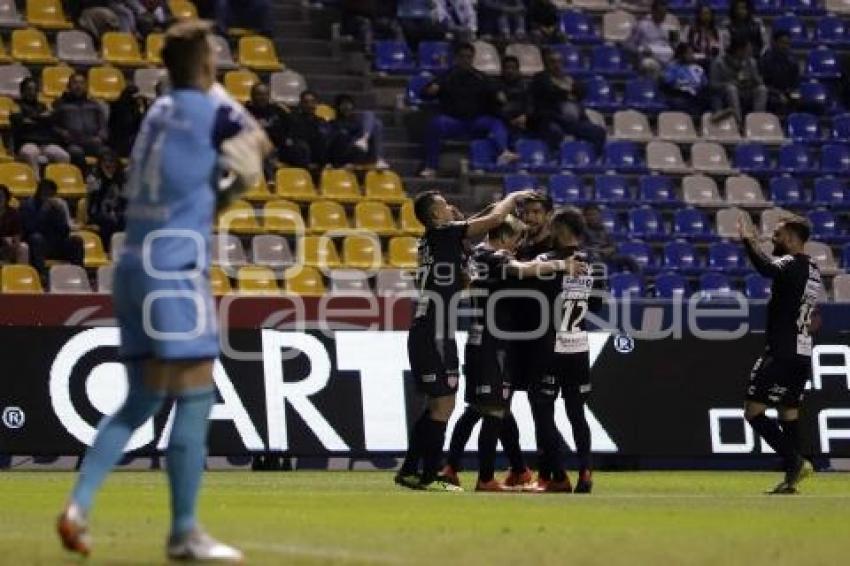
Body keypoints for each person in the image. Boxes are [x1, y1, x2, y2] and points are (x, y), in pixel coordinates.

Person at [57, 20, 271, 561]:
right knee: (197, 390)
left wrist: (216, 194)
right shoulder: (208, 108)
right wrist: (235, 188)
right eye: (215, 60)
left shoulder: (158, 111)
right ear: (206, 65)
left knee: (143, 398)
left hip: (130, 266)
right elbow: (259, 145)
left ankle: (79, 505)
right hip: (172, 268)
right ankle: (183, 532)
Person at [394, 188, 535, 491]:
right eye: (445, 205)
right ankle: (429, 476)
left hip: (434, 328)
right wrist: (514, 196)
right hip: (433, 329)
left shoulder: (438, 241)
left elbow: (465, 268)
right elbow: (495, 219)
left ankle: (410, 470)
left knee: (438, 405)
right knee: (443, 406)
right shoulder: (442, 233)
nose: (451, 206)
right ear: (434, 215)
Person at [455, 215, 579, 491]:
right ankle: (485, 478)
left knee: (482, 409)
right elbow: (521, 271)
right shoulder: (496, 255)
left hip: (481, 337)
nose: (516, 245)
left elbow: (470, 281)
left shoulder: (476, 255)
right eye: (515, 238)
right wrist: (561, 264)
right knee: (494, 411)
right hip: (494, 341)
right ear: (503, 236)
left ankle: (494, 470)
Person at [737, 214, 823, 494]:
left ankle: (796, 460)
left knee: (753, 411)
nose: (773, 238)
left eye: (777, 234)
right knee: (789, 411)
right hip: (802, 350)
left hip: (782, 349)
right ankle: (791, 480)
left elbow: (767, 268)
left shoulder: (791, 262)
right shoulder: (813, 269)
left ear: (792, 238)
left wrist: (749, 243)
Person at [526, 207, 600, 493]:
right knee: (577, 413)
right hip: (578, 345)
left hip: (549, 346)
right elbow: (595, 304)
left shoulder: (547, 261)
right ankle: (585, 471)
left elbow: (531, 300)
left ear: (562, 230)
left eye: (552, 227)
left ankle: (555, 475)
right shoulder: (592, 262)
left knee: (543, 411)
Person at [420, 42, 517, 178]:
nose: (466, 60)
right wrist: (430, 91)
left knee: (496, 123)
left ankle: (504, 152)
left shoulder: (480, 77)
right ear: (456, 58)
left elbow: (495, 93)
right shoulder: (446, 76)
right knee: (434, 125)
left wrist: (498, 95)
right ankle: (431, 166)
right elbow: (424, 94)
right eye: (462, 57)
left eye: (469, 57)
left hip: (476, 120)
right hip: (453, 121)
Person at [530, 48, 607, 156]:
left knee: (598, 132)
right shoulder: (540, 78)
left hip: (574, 122)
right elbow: (550, 92)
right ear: (546, 64)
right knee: (555, 132)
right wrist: (567, 91)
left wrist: (565, 89)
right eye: (552, 62)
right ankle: (554, 159)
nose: (557, 65)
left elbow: (582, 92)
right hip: (552, 120)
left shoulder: (568, 78)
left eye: (559, 61)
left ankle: (594, 157)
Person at [19, 179, 84, 278]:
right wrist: (43, 212)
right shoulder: (28, 205)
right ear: (39, 192)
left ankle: (78, 274)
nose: (48, 196)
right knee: (36, 238)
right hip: (39, 245)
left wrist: (60, 212)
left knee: (76, 240)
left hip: (57, 244)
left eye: (51, 193)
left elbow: (65, 231)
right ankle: (41, 275)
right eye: (45, 192)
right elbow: (29, 229)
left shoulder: (57, 206)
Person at [11, 78, 70, 179]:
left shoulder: (42, 106)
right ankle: (36, 184)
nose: (32, 92)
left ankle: (57, 184)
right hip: (26, 143)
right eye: (29, 89)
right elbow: (21, 122)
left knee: (63, 156)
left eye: (34, 89)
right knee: (31, 153)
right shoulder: (16, 106)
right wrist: (40, 118)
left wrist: (34, 119)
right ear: (22, 91)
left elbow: (49, 121)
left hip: (45, 143)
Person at [53, 73, 109, 171]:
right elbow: (53, 126)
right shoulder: (60, 105)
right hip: (73, 143)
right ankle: (83, 180)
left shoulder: (94, 105)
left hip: (93, 142)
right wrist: (62, 133)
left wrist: (100, 137)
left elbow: (103, 125)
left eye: (81, 83)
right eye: (75, 83)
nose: (78, 86)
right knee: (76, 153)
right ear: (69, 86)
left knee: (108, 153)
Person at [710, 37, 767, 126]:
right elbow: (713, 85)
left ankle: (756, 120)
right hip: (725, 94)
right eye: (747, 50)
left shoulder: (751, 62)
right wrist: (729, 83)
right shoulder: (719, 62)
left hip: (746, 91)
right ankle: (737, 122)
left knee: (762, 89)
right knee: (731, 89)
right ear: (739, 50)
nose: (750, 52)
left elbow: (758, 81)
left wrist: (756, 80)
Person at [328, 94, 388, 169]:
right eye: (343, 104)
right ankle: (367, 143)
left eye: (349, 104)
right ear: (338, 107)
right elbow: (337, 143)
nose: (346, 107)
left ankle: (377, 156)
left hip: (362, 150)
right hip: (347, 153)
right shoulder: (334, 123)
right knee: (374, 122)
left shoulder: (356, 121)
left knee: (375, 122)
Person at [86, 150, 127, 251]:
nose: (109, 165)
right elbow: (93, 203)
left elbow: (124, 201)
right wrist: (107, 179)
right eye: (106, 162)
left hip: (116, 213)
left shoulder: (122, 180)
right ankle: (108, 250)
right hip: (98, 213)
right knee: (108, 221)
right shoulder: (94, 179)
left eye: (112, 162)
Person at [583, 205, 641, 273]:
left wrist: (611, 249)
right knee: (595, 260)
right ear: (585, 217)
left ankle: (638, 280)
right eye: (589, 215)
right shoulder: (582, 230)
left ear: (599, 216)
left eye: (595, 214)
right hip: (593, 256)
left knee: (629, 259)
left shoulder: (603, 229)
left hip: (607, 256)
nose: (592, 217)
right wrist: (599, 251)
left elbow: (613, 245)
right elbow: (581, 248)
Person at [624, 0, 675, 77]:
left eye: (664, 14)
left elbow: (674, 46)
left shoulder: (669, 28)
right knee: (648, 64)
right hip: (649, 59)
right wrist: (641, 50)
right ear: (653, 11)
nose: (662, 16)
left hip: (666, 59)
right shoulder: (641, 25)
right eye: (660, 13)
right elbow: (628, 45)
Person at [661, 43, 711, 116]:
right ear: (681, 55)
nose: (692, 55)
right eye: (689, 53)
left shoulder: (698, 68)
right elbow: (668, 83)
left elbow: (705, 84)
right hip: (680, 95)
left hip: (697, 96)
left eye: (692, 53)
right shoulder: (673, 67)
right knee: (679, 103)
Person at [286, 90, 331, 170]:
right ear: (301, 104)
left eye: (313, 102)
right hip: (300, 156)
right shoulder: (293, 119)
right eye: (306, 102)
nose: (310, 105)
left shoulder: (321, 121)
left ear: (316, 104)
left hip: (317, 158)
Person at [760, 30, 800, 116]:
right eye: (782, 43)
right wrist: (778, 94)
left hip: (787, 92)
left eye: (787, 43)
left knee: (802, 101)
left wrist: (793, 94)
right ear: (774, 43)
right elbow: (762, 83)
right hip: (771, 93)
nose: (785, 46)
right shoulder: (765, 60)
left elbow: (795, 84)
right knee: (777, 102)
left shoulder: (792, 61)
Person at [495, 56, 532, 140]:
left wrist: (525, 116)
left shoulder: (526, 86)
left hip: (523, 120)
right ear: (502, 70)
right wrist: (511, 120)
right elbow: (496, 109)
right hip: (505, 122)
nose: (510, 71)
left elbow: (531, 104)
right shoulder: (496, 86)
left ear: (518, 70)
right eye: (507, 68)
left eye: (513, 68)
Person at [109, 84, 147, 159]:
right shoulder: (119, 107)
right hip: (121, 143)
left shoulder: (136, 107)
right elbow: (128, 125)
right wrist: (140, 111)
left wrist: (142, 109)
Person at [0, 185, 28, 264]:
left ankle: (20, 274)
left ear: (6, 198)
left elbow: (17, 234)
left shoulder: (13, 213)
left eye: (1, 196)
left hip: (8, 243)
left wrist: (14, 247)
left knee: (24, 248)